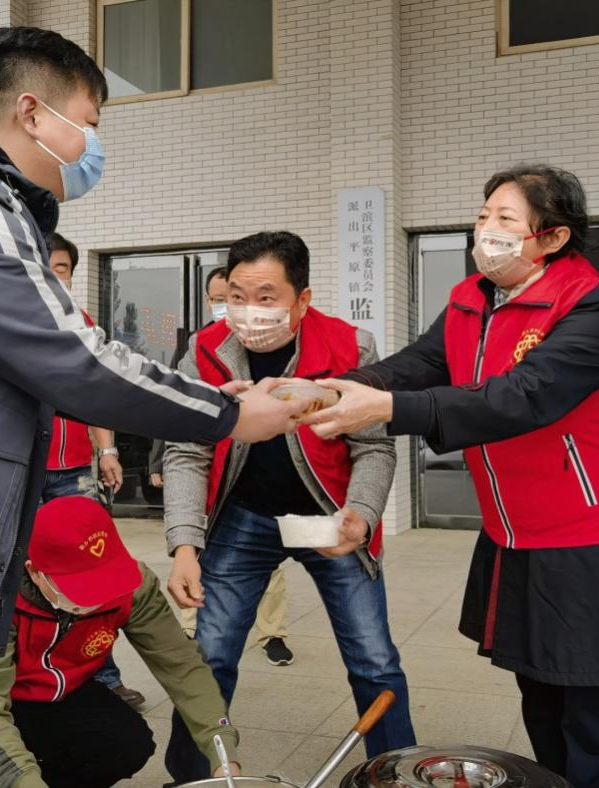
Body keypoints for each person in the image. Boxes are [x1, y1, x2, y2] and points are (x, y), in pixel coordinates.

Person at [0, 26, 302, 788]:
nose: (91, 148)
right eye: (89, 123)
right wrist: (229, 415)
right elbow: (71, 356)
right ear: (32, 112)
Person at [301, 165, 599, 788]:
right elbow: (421, 363)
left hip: (589, 534)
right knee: (538, 688)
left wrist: (386, 409)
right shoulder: (472, 298)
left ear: (553, 237)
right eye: (483, 215)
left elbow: (523, 396)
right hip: (511, 531)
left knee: (590, 703)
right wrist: (341, 386)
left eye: (506, 219)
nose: (486, 230)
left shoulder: (597, 305)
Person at [162, 230, 416, 782]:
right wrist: (185, 545)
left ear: (302, 299)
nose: (249, 312)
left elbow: (373, 447)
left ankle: (395, 773)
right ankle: (192, 775)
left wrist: (361, 515)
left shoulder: (350, 345)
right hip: (242, 518)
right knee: (211, 655)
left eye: (267, 297)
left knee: (374, 660)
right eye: (237, 296)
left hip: (330, 517)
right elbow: (187, 449)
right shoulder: (205, 349)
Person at [0, 496, 241, 788]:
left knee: (124, 743)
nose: (96, 600)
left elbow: (181, 665)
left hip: (58, 695)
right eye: (81, 589)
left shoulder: (132, 585)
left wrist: (222, 751)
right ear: (34, 571)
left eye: (102, 582)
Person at [151, 266, 296, 665]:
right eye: (219, 299)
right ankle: (190, 625)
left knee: (267, 562)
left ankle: (272, 632)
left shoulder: (265, 340)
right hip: (206, 471)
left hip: (255, 476)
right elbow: (174, 410)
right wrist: (158, 461)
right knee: (194, 552)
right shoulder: (197, 346)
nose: (226, 306)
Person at [45, 231, 145, 708]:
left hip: (73, 474)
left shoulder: (81, 323)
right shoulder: (1, 315)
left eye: (62, 268)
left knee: (92, 571)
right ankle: (26, 674)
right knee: (20, 575)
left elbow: (98, 394)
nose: (54, 276)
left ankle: (102, 676)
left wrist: (107, 451)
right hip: (21, 472)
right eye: (45, 265)